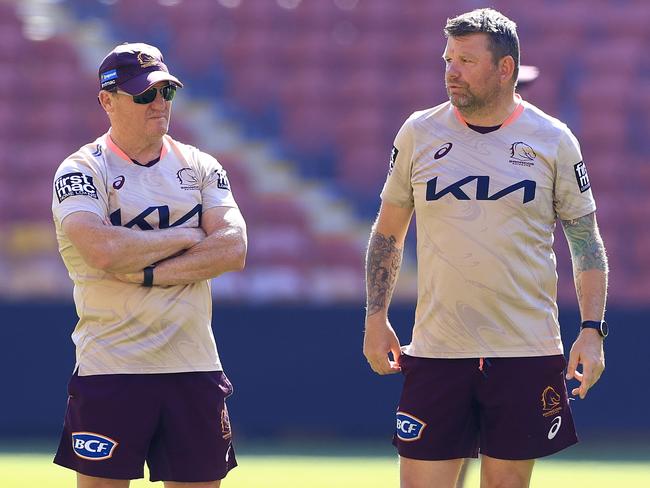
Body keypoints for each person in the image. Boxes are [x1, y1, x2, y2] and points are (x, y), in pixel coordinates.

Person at [363, 9, 608, 488]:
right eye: (448, 58)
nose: (451, 70)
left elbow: (585, 241)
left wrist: (592, 330)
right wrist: (375, 318)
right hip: (436, 349)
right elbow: (388, 231)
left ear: (505, 69)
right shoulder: (418, 132)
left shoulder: (553, 139)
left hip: (526, 348)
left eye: (467, 60)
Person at [52, 42, 247, 488]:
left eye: (166, 92)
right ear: (107, 101)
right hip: (111, 367)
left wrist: (146, 272)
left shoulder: (200, 165)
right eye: (143, 94)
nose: (158, 103)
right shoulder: (81, 170)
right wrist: (185, 235)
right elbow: (101, 250)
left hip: (193, 365)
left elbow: (234, 248)